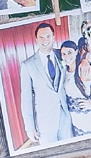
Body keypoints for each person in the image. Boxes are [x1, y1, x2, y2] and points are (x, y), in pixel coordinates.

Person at [16, 21, 71, 149]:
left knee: (69, 152)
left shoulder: (62, 55)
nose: (45, 40)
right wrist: (29, 127)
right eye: (41, 37)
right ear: (36, 39)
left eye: (48, 36)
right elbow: (26, 99)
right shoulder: (28, 65)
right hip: (45, 120)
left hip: (65, 115)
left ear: (53, 37)